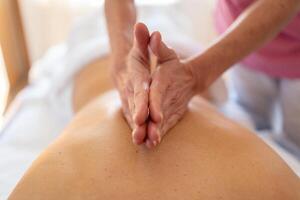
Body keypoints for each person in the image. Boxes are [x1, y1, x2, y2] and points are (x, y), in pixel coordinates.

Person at [8, 50, 300, 199]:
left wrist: (194, 74)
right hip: (123, 59)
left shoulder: (45, 187)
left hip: (106, 64)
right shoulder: (272, 184)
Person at [105, 0, 300, 150]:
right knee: (249, 111)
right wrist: (123, 62)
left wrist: (195, 76)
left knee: (293, 139)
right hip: (243, 36)